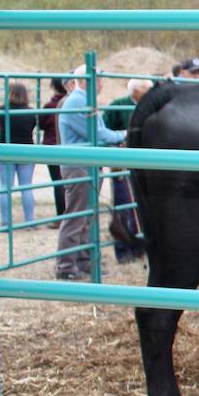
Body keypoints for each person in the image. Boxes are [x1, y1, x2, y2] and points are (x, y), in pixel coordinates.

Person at [56, 65, 126, 280]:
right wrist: (124, 135)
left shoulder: (83, 101)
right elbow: (97, 134)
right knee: (77, 216)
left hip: (86, 165)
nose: (102, 84)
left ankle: (83, 260)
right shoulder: (78, 102)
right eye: (99, 79)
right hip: (79, 166)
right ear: (86, 81)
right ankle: (66, 265)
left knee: (87, 216)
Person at [102, 79, 150, 264]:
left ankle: (139, 247)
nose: (148, 93)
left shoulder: (150, 107)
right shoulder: (118, 106)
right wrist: (116, 143)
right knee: (123, 206)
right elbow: (104, 131)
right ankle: (123, 249)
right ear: (136, 91)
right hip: (122, 164)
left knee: (140, 208)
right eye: (145, 90)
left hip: (144, 165)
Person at [0, 81, 39, 227]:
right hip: (26, 150)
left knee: (5, 186)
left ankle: (6, 221)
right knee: (26, 186)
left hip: (5, 151)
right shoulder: (31, 112)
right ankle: (30, 221)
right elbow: (32, 128)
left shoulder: (1, 110)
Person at [40, 76, 68, 215]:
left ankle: (61, 215)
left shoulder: (49, 106)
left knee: (58, 182)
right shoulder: (70, 103)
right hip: (68, 147)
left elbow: (41, 124)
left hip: (51, 146)